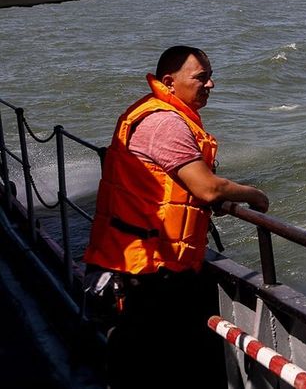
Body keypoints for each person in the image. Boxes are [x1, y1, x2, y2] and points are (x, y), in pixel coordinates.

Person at [83, 46, 269, 388]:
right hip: (149, 273)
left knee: (142, 364)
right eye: (201, 77)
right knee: (161, 366)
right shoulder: (166, 124)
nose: (211, 84)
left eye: (211, 76)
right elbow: (208, 189)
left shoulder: (150, 112)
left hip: (142, 264)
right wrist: (254, 195)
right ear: (169, 82)